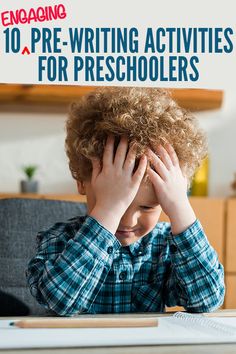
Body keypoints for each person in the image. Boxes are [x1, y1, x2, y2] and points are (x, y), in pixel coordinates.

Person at [26, 87, 225, 316]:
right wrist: (107, 211)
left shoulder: (164, 248)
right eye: (116, 203)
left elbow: (207, 300)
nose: (128, 220)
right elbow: (61, 301)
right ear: (82, 181)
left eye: (148, 207)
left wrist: (181, 207)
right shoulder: (58, 241)